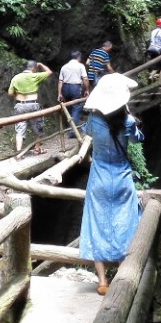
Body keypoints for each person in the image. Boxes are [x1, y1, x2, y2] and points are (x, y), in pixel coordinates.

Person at [79, 73, 144, 295]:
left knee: (97, 224)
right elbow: (138, 139)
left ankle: (102, 281)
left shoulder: (93, 121)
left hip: (98, 177)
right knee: (125, 224)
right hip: (122, 178)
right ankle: (123, 274)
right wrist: (130, 117)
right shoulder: (127, 122)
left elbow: (87, 133)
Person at [7, 60, 52, 155]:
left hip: (20, 106)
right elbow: (49, 72)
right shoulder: (35, 76)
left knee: (20, 128)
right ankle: (37, 149)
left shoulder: (16, 77)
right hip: (33, 105)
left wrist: (17, 96)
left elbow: (10, 93)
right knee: (37, 127)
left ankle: (19, 152)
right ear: (34, 68)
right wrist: (41, 64)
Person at [57, 50, 89, 133]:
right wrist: (87, 89)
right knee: (76, 108)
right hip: (75, 88)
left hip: (65, 88)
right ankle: (73, 131)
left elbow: (60, 81)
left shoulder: (64, 67)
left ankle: (70, 128)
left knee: (69, 107)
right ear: (78, 57)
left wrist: (59, 93)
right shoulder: (80, 66)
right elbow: (85, 78)